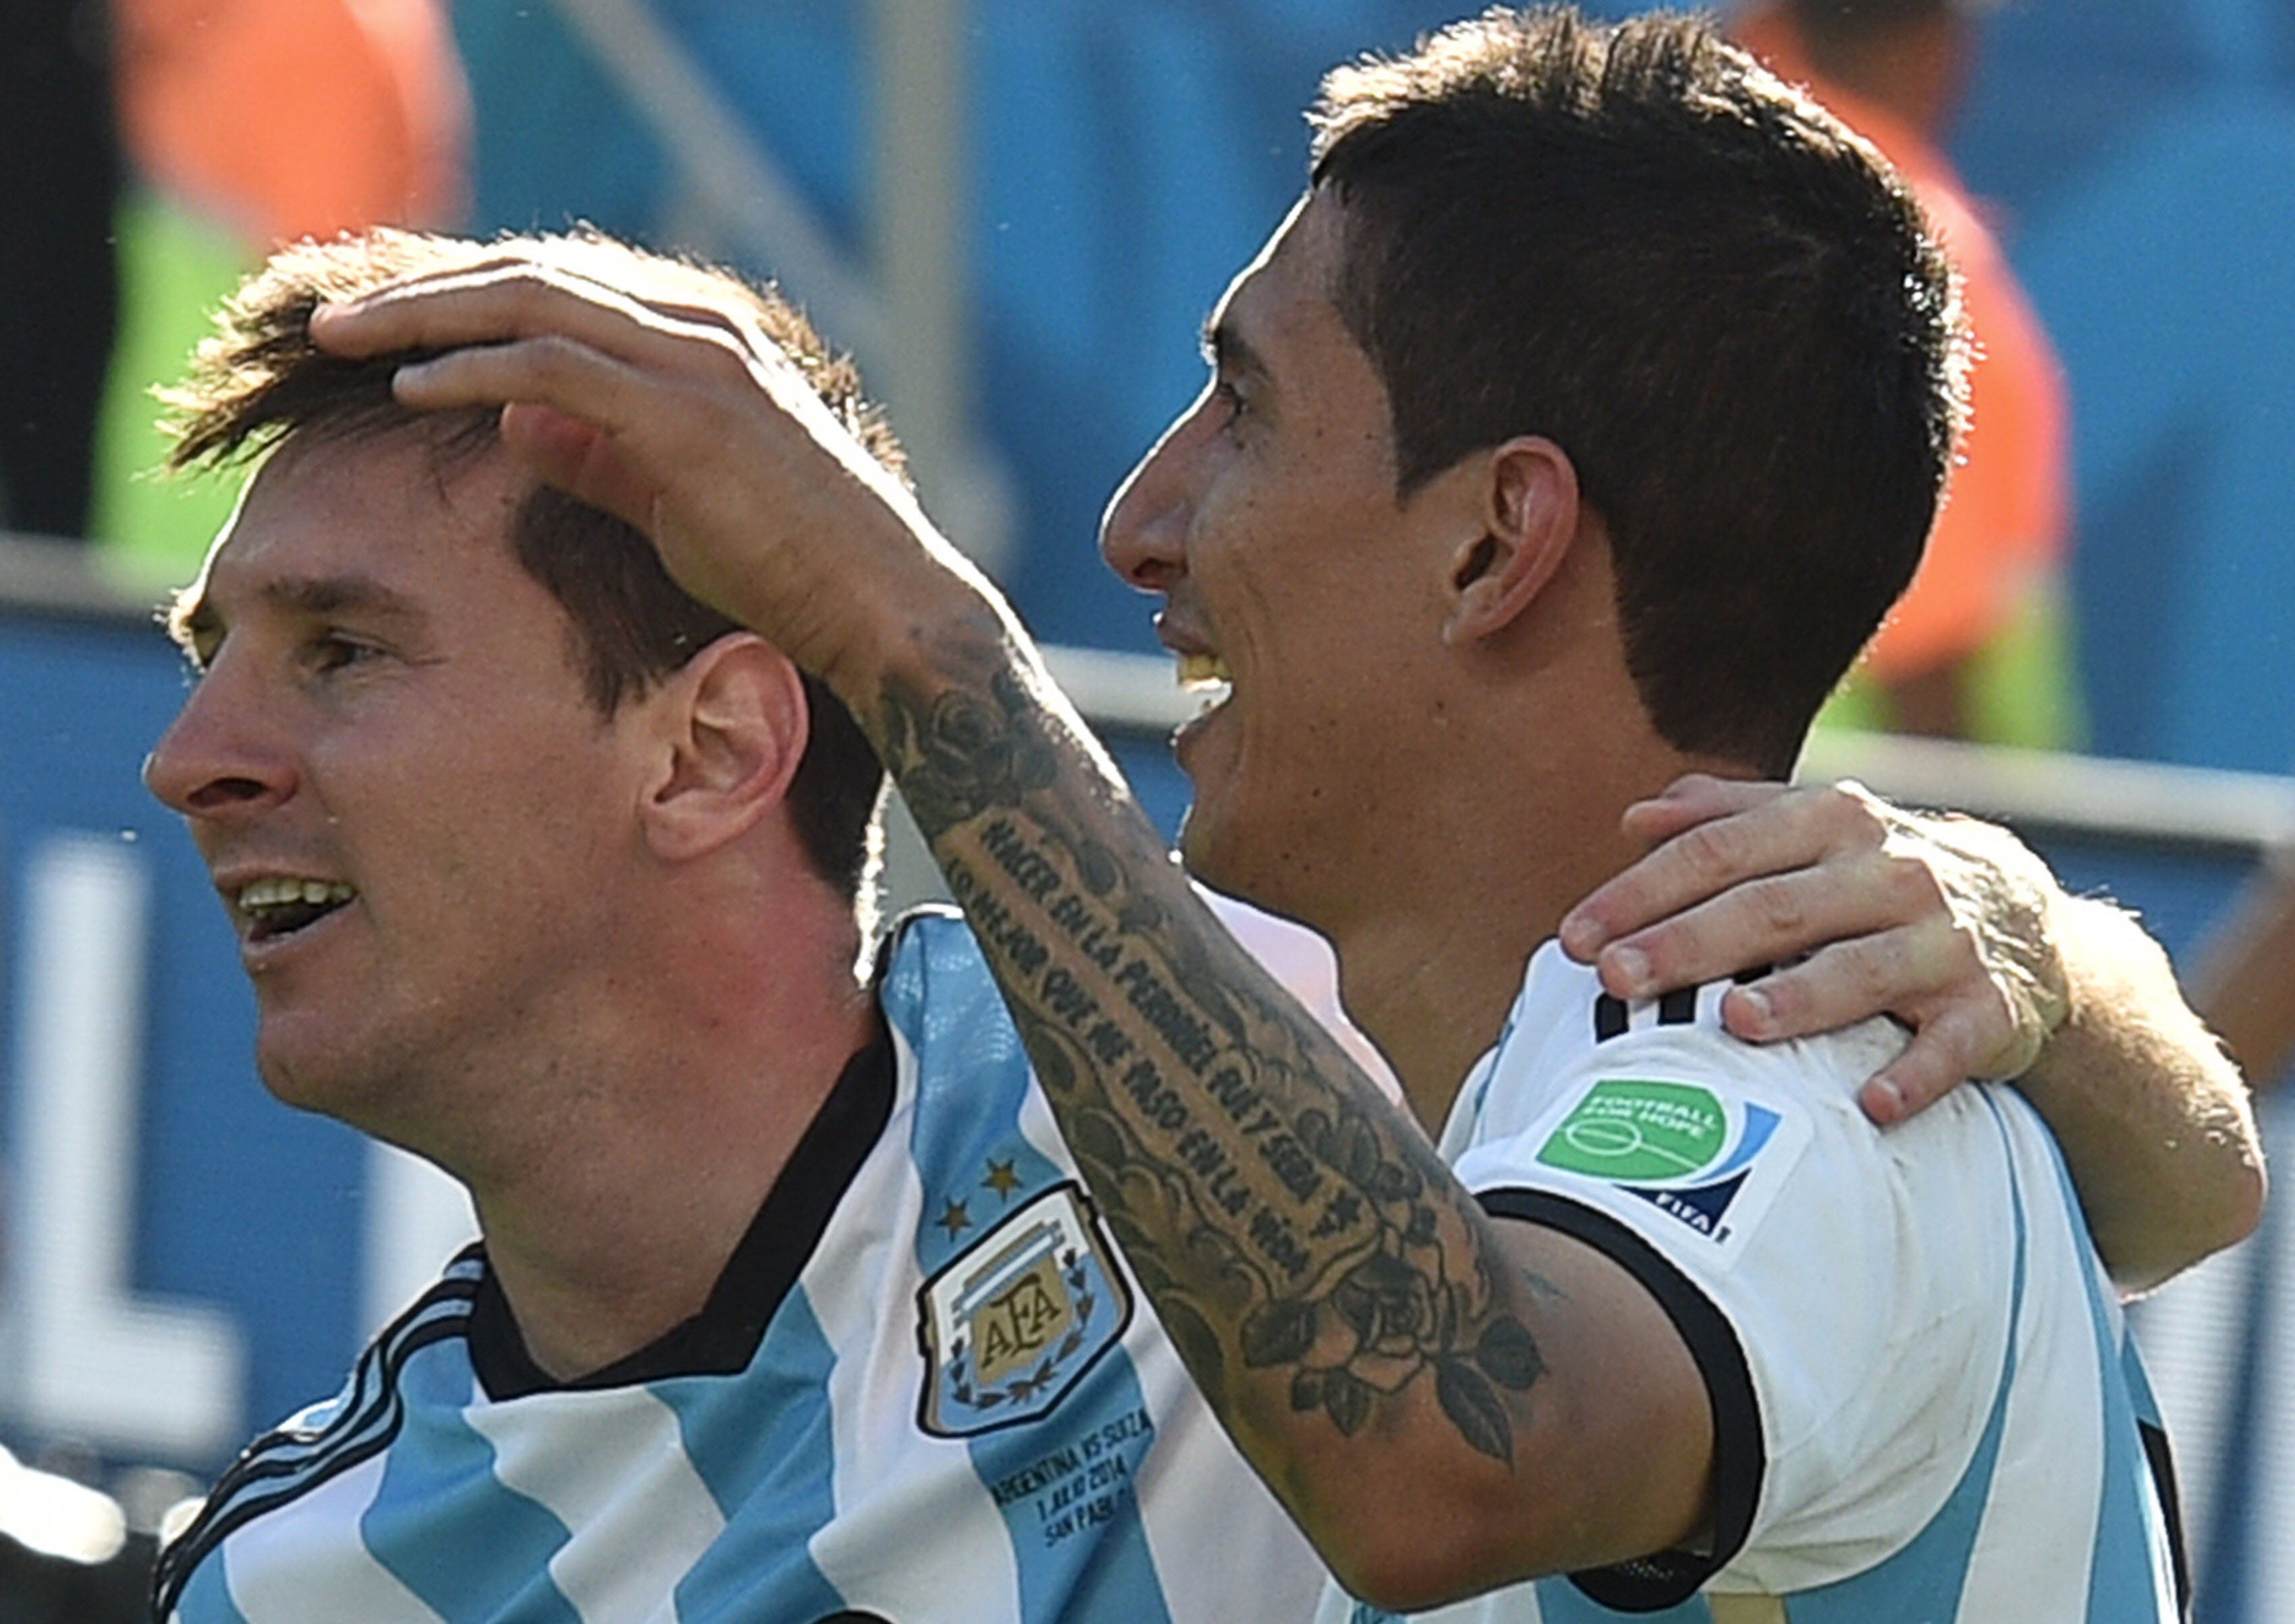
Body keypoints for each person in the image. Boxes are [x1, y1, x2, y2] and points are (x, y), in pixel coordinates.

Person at [291, 8, 2266, 1621]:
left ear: (1494, 540)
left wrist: (912, 633)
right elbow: (2189, 1186)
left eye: (1240, 409)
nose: (1138, 521)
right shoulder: (1555, 1072)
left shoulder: (1762, 1039)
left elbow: (1430, 1455)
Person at [1731, 0, 2069, 740]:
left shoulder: (1661, 214)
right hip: (1869, 831)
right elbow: (1926, 647)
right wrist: (1975, 849)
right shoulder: (1904, 266)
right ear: (1942, 46)